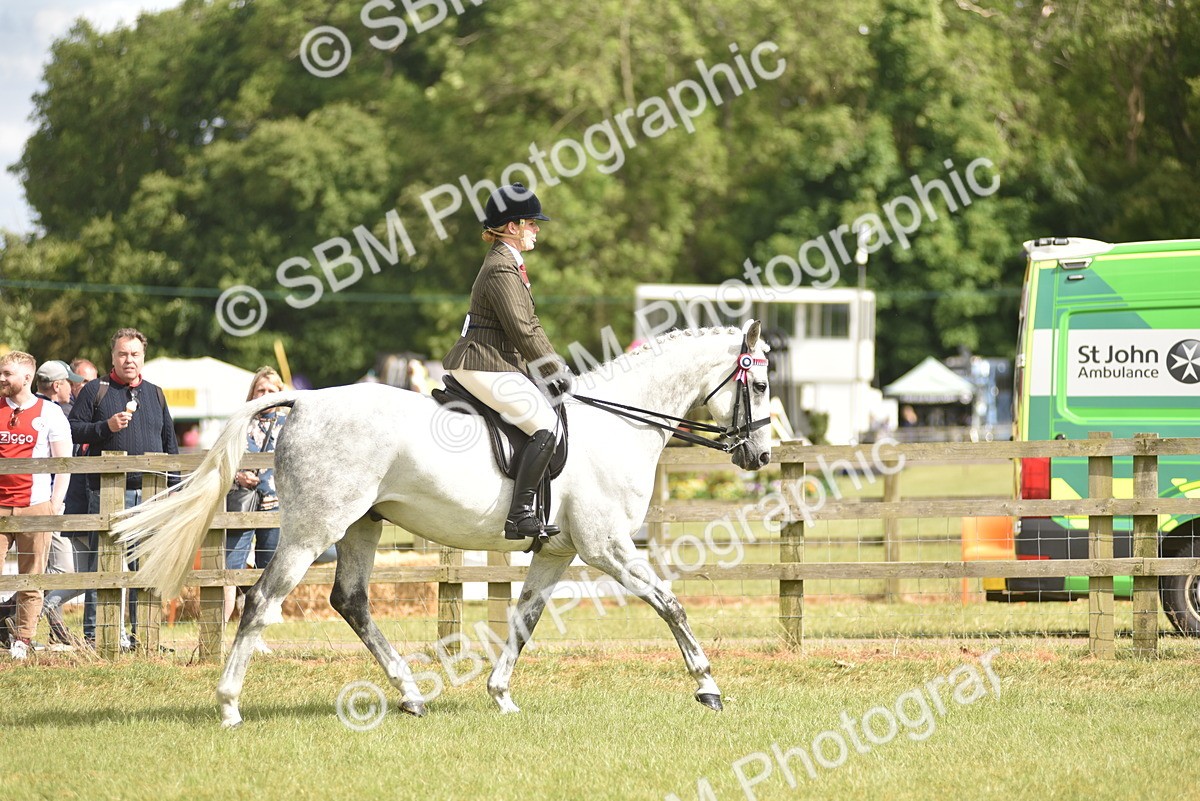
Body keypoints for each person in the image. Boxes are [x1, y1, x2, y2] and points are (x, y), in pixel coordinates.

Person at [441, 182, 569, 543]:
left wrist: (555, 365)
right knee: (546, 426)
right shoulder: (501, 267)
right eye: (532, 223)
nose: (537, 229)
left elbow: (532, 325)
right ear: (513, 226)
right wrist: (552, 369)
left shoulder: (510, 264)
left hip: (494, 360)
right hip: (483, 361)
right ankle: (520, 515)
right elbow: (522, 329)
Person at [68, 329, 179, 648]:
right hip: (106, 492)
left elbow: (169, 442)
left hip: (151, 495)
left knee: (145, 567)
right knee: (104, 564)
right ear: (113, 357)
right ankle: (95, 636)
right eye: (122, 354)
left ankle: (143, 636)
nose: (129, 360)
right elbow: (73, 430)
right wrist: (105, 427)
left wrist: (173, 486)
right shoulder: (96, 390)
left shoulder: (156, 394)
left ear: (143, 357)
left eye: (135, 354)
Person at [0, 352, 73, 659]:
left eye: (8, 373)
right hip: (0, 506)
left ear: (27, 377)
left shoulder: (50, 413)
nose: (2, 378)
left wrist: (55, 502)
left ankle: (23, 639)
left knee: (32, 578)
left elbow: (64, 461)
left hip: (34, 506)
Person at [224, 366, 287, 624]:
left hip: (276, 505)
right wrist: (237, 476)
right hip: (243, 504)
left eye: (271, 390)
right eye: (260, 390)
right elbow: (221, 461)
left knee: (267, 571)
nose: (265, 395)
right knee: (230, 568)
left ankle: (256, 630)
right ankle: (217, 631)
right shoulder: (239, 422)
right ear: (252, 393)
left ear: (280, 394)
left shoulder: (290, 424)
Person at [33, 360, 87, 648]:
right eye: (69, 382)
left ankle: (47, 625)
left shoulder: (31, 410)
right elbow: (63, 463)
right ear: (57, 385)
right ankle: (15, 612)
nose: (72, 388)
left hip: (34, 500)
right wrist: (56, 502)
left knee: (41, 569)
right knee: (67, 572)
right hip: (50, 502)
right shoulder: (56, 413)